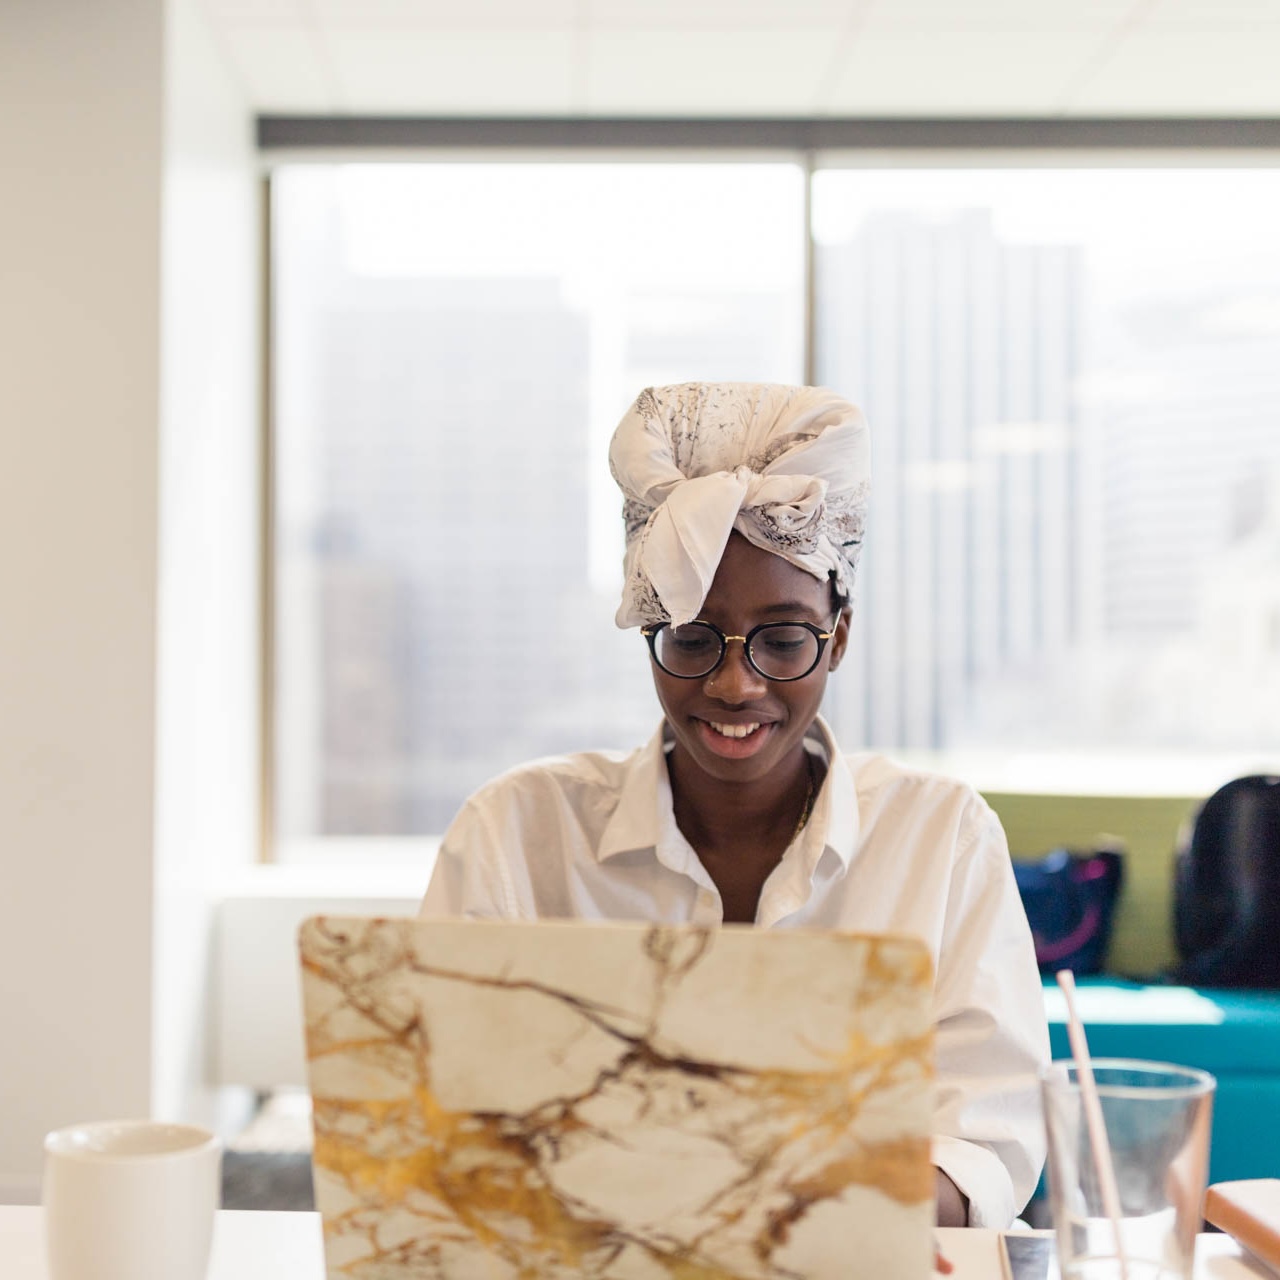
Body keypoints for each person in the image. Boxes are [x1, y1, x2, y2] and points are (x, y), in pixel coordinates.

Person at [422, 381, 1049, 1230]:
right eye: (690, 637)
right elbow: (443, 1122)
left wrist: (787, 1214)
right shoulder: (518, 833)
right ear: (650, 633)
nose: (734, 683)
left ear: (840, 637)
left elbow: (987, 1140)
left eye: (784, 638)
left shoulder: (939, 837)